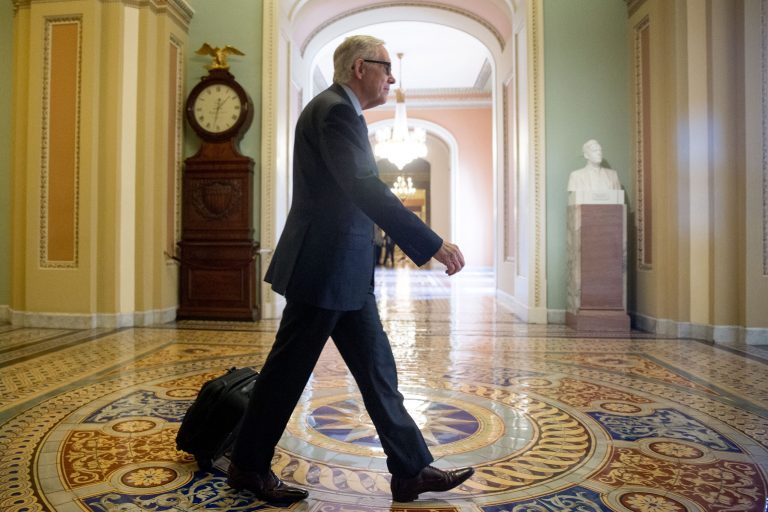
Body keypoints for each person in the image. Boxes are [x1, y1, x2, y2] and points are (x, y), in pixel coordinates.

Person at [227, 35, 473, 503]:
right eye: (387, 66)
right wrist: (431, 242)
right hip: (324, 268)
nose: (392, 77)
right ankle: (248, 467)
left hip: (345, 271)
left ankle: (411, 471)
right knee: (286, 375)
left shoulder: (340, 110)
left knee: (379, 372)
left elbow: (356, 193)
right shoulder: (335, 111)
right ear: (361, 67)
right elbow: (364, 187)